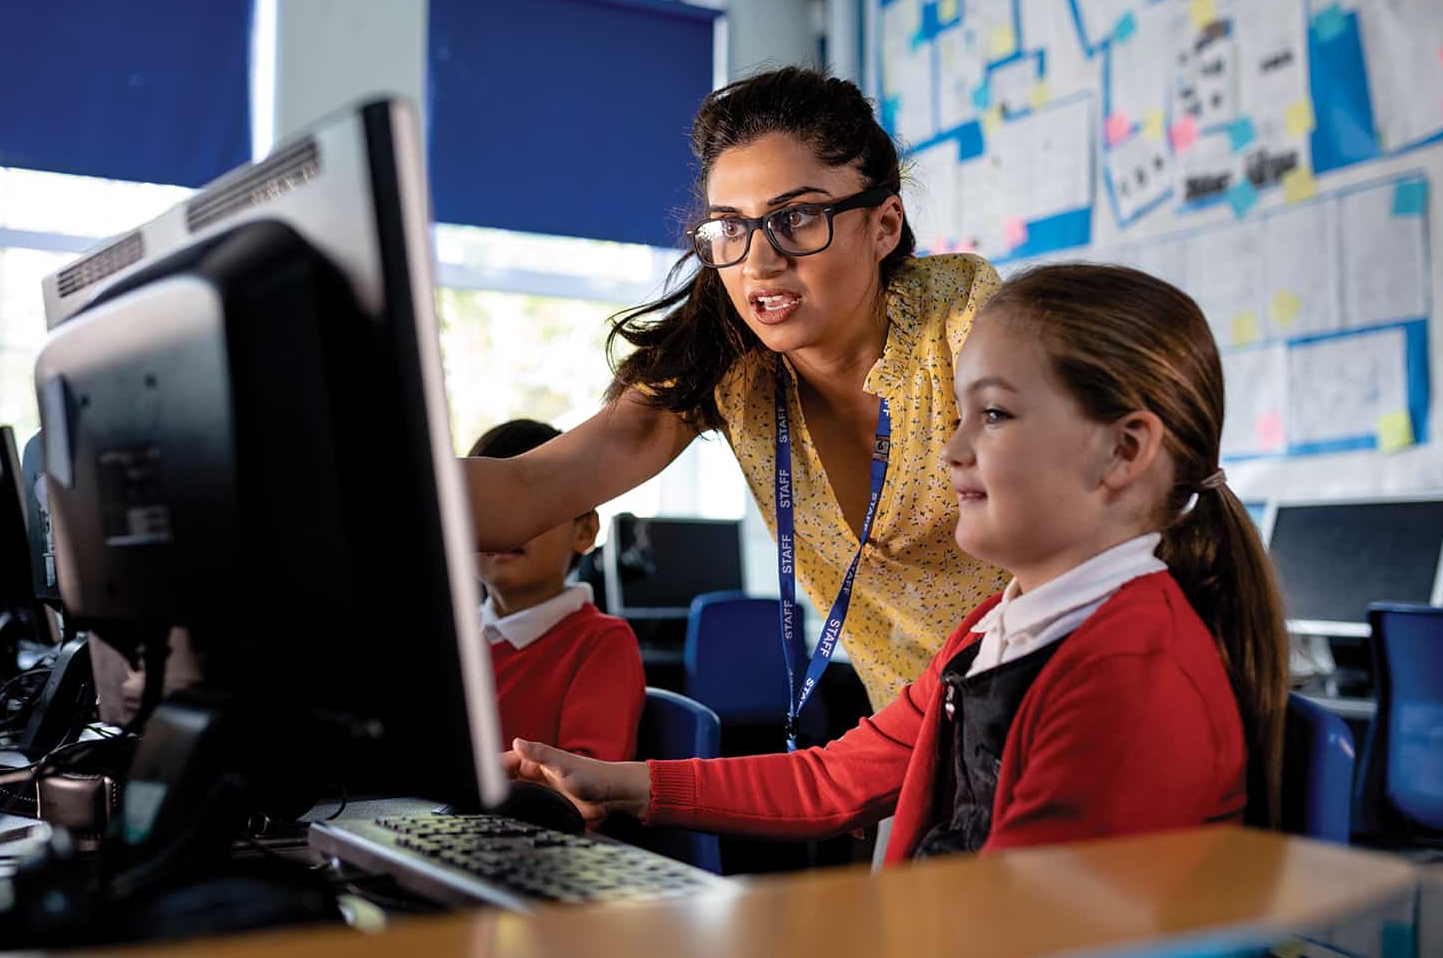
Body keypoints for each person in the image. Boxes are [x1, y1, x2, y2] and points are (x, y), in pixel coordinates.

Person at [502, 263, 1290, 860]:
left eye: (992, 414)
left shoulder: (1128, 677)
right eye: (957, 414)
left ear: (1125, 449)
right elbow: (836, 780)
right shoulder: (1001, 628)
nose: (951, 451)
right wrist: (617, 782)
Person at [465, 67, 1010, 722]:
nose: (759, 261)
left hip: (1068, 697)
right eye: (730, 227)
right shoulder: (731, 368)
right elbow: (528, 491)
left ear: (885, 226)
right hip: (917, 738)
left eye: (798, 217)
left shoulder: (963, 323)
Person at [469, 419, 645, 761]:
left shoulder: (602, 642)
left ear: (584, 531)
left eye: (527, 505)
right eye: (484, 507)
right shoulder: (451, 637)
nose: (505, 525)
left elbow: (587, 792)